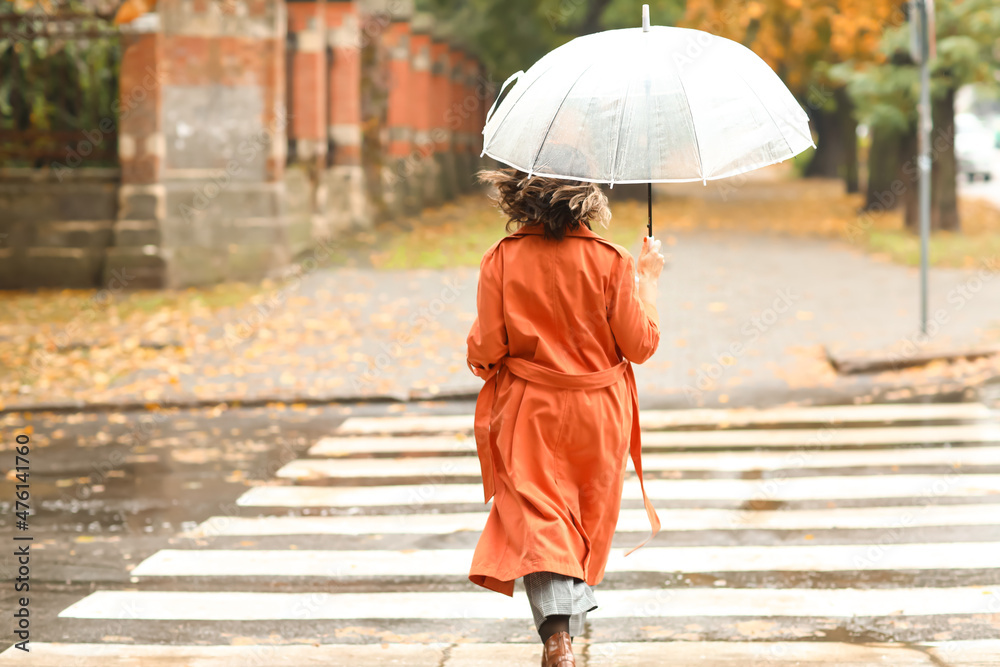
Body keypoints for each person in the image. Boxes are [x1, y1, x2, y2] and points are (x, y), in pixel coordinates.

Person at [465, 167, 665, 666]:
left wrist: (490, 358)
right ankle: (563, 636)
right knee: (581, 518)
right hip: (599, 413)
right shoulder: (612, 261)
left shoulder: (502, 259)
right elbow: (640, 345)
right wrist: (648, 281)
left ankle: (558, 641)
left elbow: (485, 349)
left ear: (519, 199)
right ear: (587, 199)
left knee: (540, 519)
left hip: (530, 410)